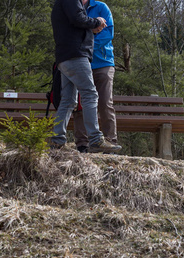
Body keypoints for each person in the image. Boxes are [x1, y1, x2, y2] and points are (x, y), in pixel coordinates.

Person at [50, 0, 122, 153]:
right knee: (90, 95)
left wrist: (91, 29)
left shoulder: (61, 4)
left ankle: (57, 140)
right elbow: (78, 19)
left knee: (68, 100)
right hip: (76, 55)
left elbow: (75, 24)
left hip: (64, 57)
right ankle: (95, 139)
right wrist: (97, 21)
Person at [73, 0, 119, 153]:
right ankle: (82, 144)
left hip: (103, 63)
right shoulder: (73, 6)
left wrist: (86, 43)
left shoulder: (101, 7)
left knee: (105, 103)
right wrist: (92, 31)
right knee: (80, 104)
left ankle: (110, 141)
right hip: (80, 63)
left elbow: (108, 33)